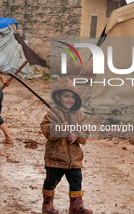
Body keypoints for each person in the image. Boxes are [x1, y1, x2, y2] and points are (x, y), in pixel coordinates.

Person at [40, 78, 93, 214]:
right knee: (50, 182)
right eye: (66, 96)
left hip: (74, 160)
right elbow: (47, 131)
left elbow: (85, 133)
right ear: (58, 97)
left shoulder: (80, 116)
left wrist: (76, 135)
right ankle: (47, 205)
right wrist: (59, 128)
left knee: (76, 182)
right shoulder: (52, 114)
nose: (70, 100)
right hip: (55, 158)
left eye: (72, 97)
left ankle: (76, 206)